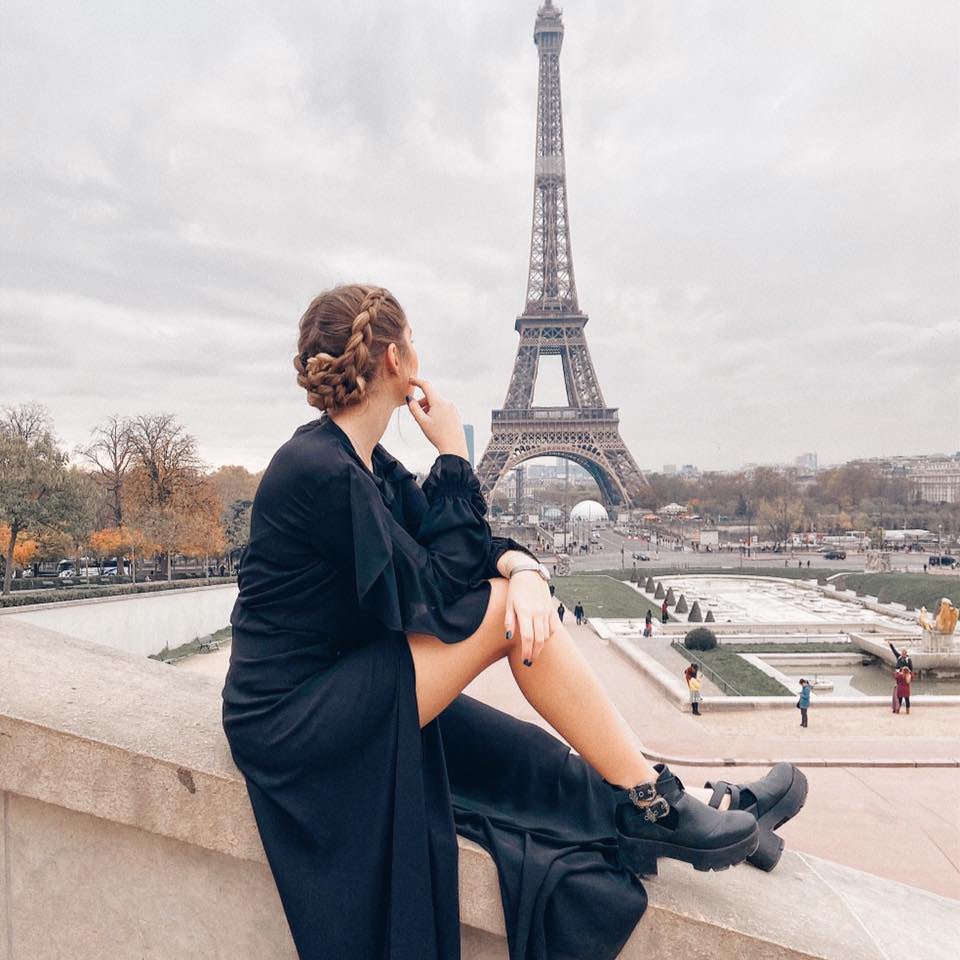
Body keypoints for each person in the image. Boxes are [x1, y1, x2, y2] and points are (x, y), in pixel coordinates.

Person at [220, 284, 807, 960]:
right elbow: (446, 590)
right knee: (505, 617)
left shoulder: (367, 464)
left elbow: (464, 551)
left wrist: (526, 571)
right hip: (293, 717)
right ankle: (655, 805)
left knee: (526, 760)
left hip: (346, 684)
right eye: (413, 340)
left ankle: (701, 797)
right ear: (393, 358)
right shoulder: (317, 470)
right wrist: (453, 459)